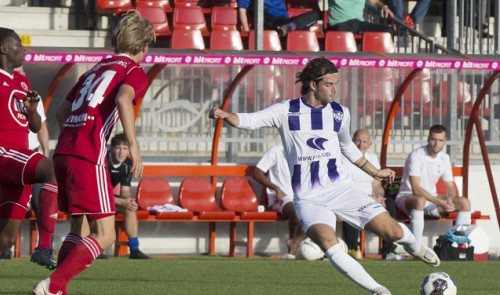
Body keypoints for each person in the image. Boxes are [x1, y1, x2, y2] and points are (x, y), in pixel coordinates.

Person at [210, 57, 440, 294]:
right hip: (309, 199)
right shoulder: (285, 110)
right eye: (329, 84)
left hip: (342, 190)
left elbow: (348, 147)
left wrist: (375, 171)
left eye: (336, 84)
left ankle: (416, 247)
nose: (334, 89)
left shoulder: (340, 113)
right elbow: (250, 120)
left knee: (393, 232)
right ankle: (379, 290)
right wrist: (225, 115)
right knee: (330, 246)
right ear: (313, 85)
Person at [32, 10, 155, 295]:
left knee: (80, 230)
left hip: (64, 152)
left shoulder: (96, 68)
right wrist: (134, 147)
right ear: (144, 46)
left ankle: (56, 287)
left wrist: (75, 135)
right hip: (88, 155)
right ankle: (54, 286)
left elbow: (62, 111)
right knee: (106, 234)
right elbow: (124, 100)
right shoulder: (133, 71)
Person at [0, 28, 58, 269]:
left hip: (18, 159)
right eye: (18, 45)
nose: (23, 50)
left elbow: (34, 127)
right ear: (3, 48)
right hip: (4, 152)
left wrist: (32, 111)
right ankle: (44, 246)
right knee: (49, 168)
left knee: (5, 239)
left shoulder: (23, 82)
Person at [395, 124, 472, 245]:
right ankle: (416, 247)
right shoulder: (416, 155)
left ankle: (458, 246)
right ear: (428, 139)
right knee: (420, 200)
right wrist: (440, 202)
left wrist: (450, 199)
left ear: (445, 141)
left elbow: (450, 186)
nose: (436, 143)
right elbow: (416, 189)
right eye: (433, 139)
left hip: (431, 200)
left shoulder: (445, 158)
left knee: (464, 203)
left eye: (440, 140)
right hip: (407, 198)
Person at [253, 144, 307, 259]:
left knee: (319, 216)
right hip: (281, 197)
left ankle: (294, 243)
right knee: (297, 212)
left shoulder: (306, 151)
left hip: (301, 196)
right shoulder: (277, 150)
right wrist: (276, 189)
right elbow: (257, 173)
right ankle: (291, 250)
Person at [342, 129, 386, 261]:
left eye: (365, 141)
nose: (361, 144)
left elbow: (376, 184)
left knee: (389, 204)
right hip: (349, 195)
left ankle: (388, 251)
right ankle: (352, 248)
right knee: (353, 207)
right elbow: (347, 185)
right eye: (358, 140)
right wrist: (369, 198)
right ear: (352, 141)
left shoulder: (372, 158)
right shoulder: (344, 157)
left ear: (370, 144)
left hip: (370, 197)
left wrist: (380, 197)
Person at [107, 133, 149, 259]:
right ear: (112, 148)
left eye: (125, 148)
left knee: (130, 208)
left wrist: (128, 201)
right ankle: (96, 250)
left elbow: (125, 190)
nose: (121, 152)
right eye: (118, 147)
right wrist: (121, 201)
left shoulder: (128, 164)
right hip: (93, 198)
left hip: (109, 199)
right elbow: (98, 192)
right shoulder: (102, 160)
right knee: (100, 209)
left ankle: (134, 249)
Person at [237, 0, 321, 37]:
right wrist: (246, 30)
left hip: (285, 21)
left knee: (316, 14)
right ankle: (288, 28)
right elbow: (242, 10)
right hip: (269, 22)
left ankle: (288, 27)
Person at [328, 0, 395, 36]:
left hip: (358, 23)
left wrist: (384, 7)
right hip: (340, 23)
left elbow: (375, 1)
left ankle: (387, 60)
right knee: (342, 31)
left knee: (388, 30)